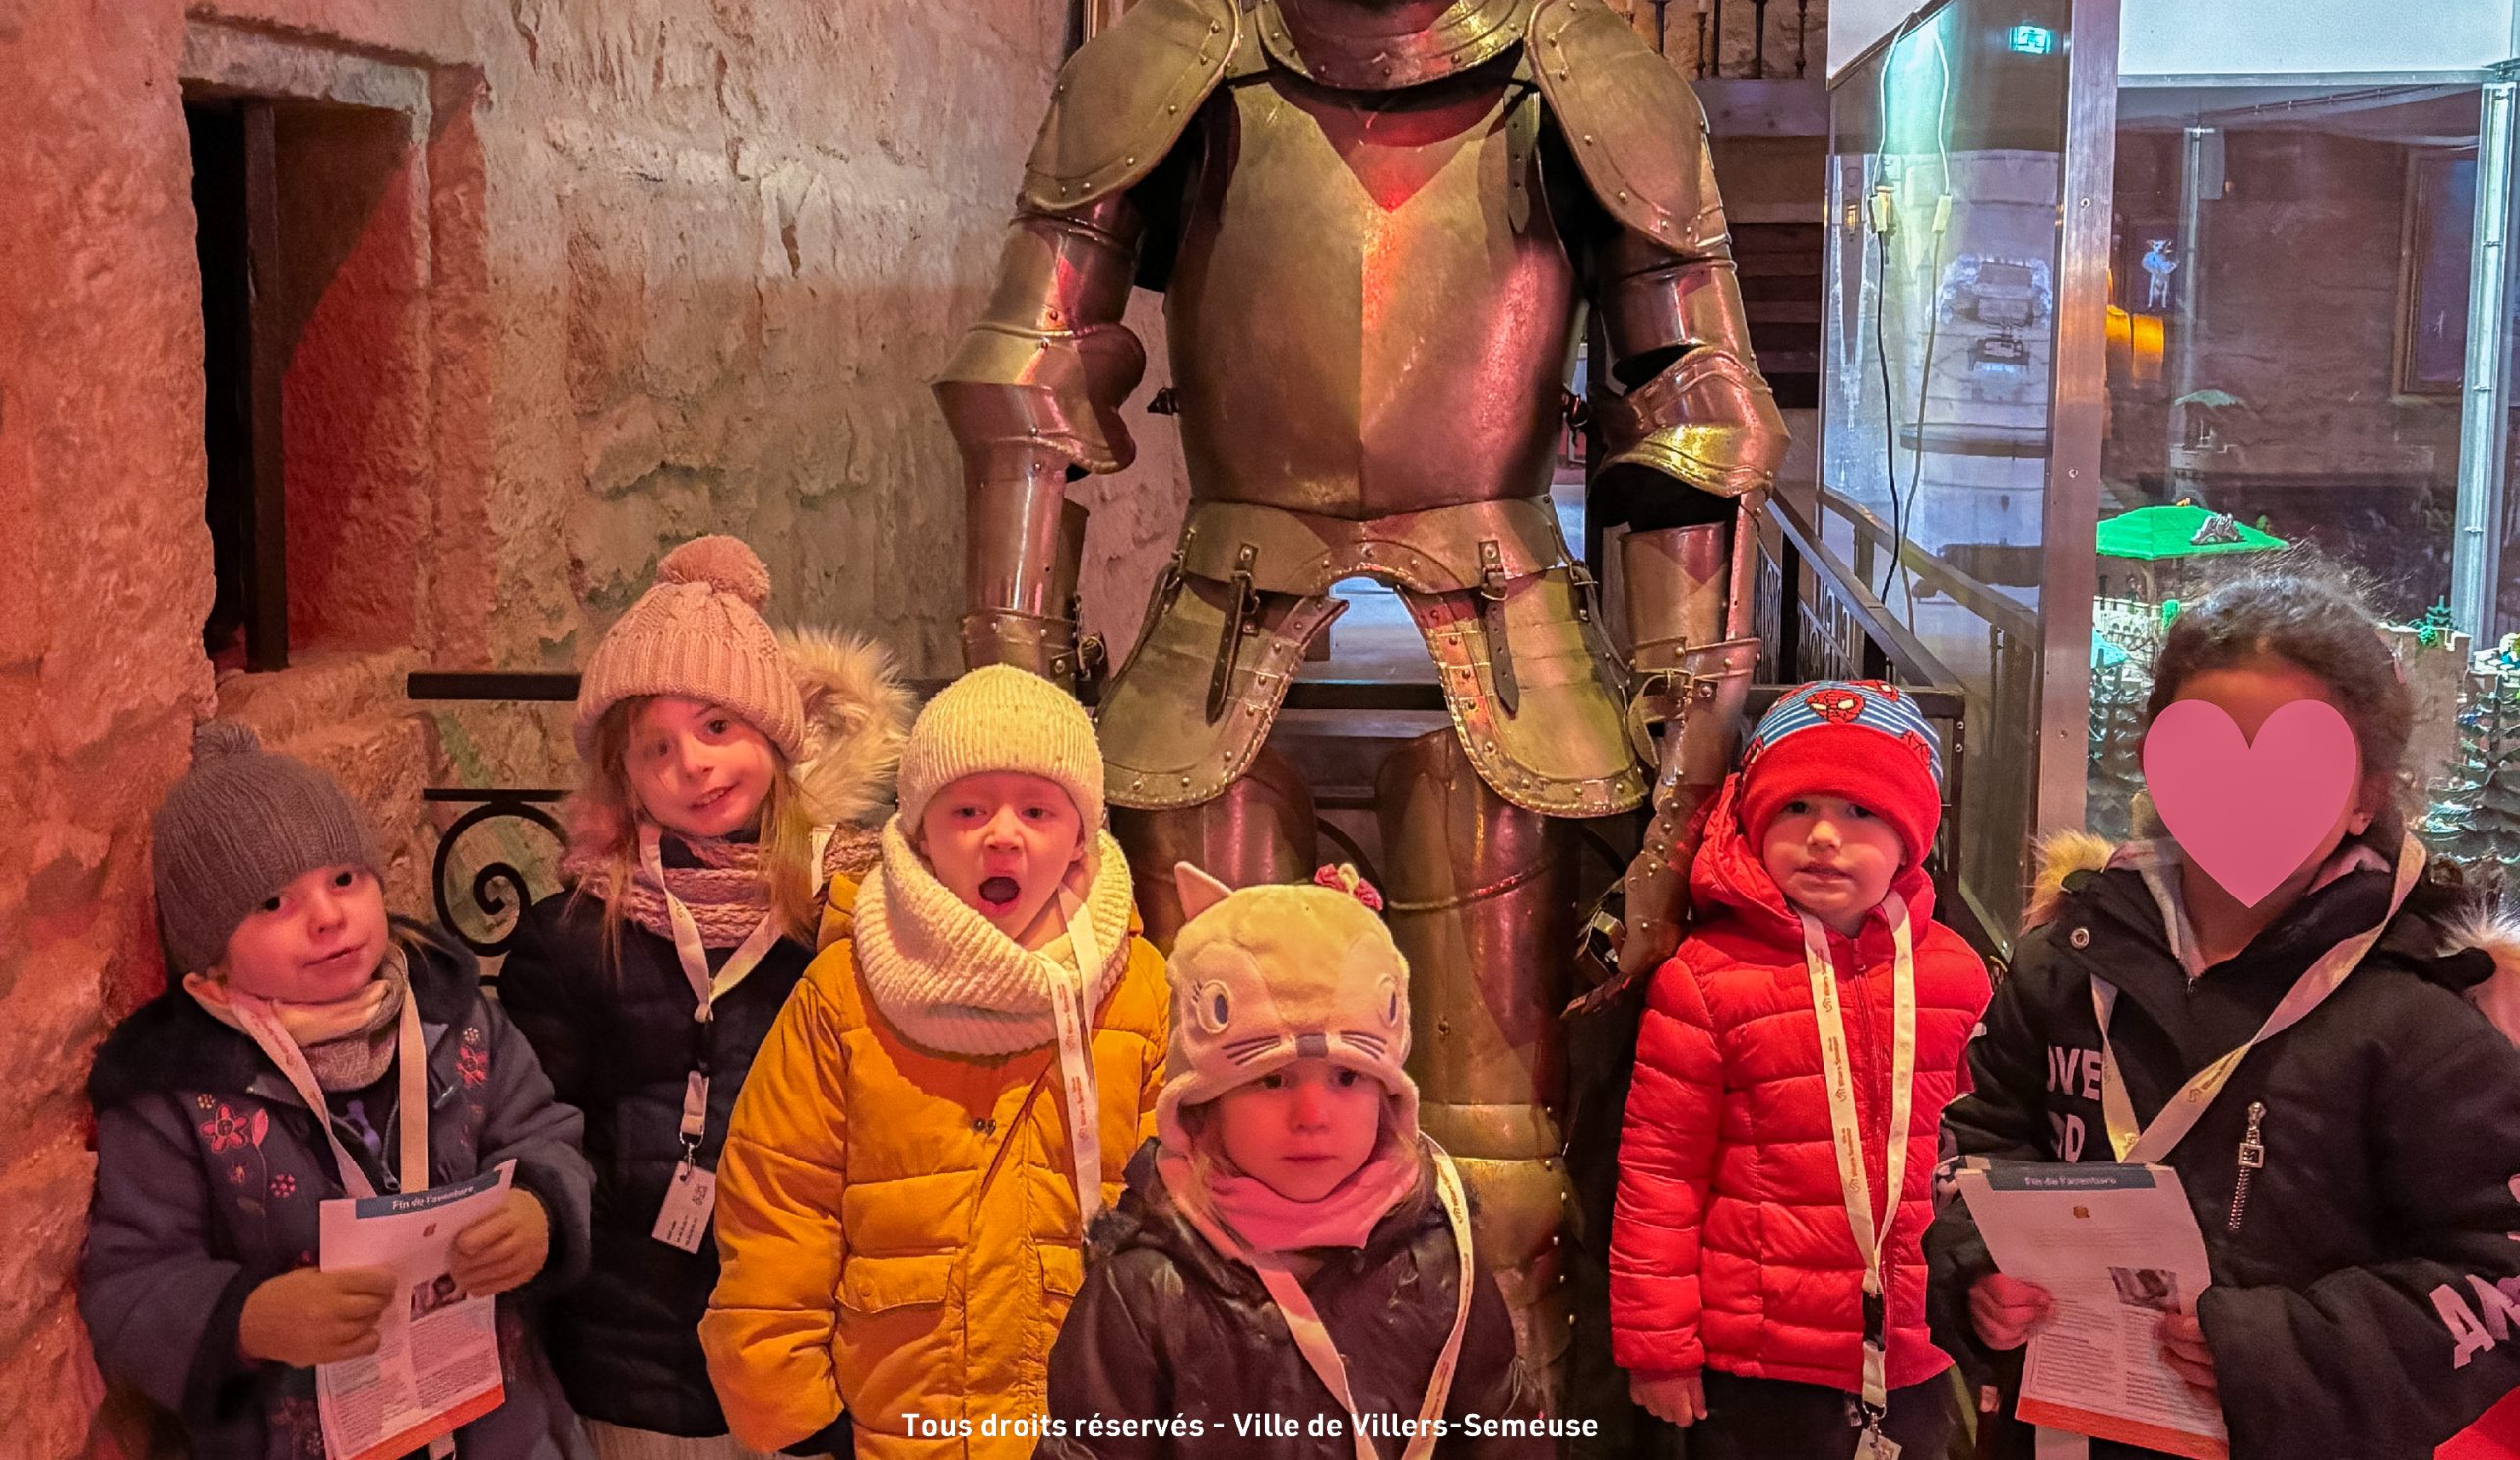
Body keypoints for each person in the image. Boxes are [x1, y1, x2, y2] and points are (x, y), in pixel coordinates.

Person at [1923, 570, 2520, 1460]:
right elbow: (1975, 1143)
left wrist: (2276, 1349)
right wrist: (1977, 1270)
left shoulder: (2425, 1015)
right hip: (2063, 1423)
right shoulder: (2068, 959)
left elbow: (2496, 1271)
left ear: (2368, 793)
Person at [497, 536, 912, 1460]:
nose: (693, 762)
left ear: (774, 735)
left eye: (718, 726)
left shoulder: (849, 911)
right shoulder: (575, 935)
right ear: (626, 776)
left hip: (812, 1337)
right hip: (630, 1343)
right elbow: (539, 1126)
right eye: (657, 745)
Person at [81, 719, 592, 1460]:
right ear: (211, 956)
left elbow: (543, 1130)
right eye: (272, 903)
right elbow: (128, 1282)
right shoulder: (176, 1095)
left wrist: (538, 1210)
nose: (327, 917)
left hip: (494, 1420)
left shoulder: (455, 1017)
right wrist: (249, 1319)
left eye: (344, 879)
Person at [699, 664, 1169, 1460]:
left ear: (1081, 836)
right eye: (967, 809)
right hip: (901, 1423)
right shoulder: (845, 991)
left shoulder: (1137, 989)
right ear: (919, 833)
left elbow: (1183, 1206)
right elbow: (779, 1200)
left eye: (1037, 809)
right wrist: (793, 1411)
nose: (1002, 834)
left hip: (1094, 1419)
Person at [1039, 862, 1545, 1460]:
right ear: (1204, 1104)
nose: (1312, 1115)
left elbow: (1505, 1435)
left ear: (1387, 1100)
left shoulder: (1440, 1259)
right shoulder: (1145, 1287)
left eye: (1347, 1077)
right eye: (1272, 1079)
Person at [1612, 680, 1991, 1460]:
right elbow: (1659, 1175)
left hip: (1918, 1348)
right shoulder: (1705, 980)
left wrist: (1991, 1314)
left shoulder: (1957, 975)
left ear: (1912, 834)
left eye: (1860, 811)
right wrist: (1659, 1349)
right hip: (1756, 1362)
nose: (1823, 836)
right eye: (1796, 807)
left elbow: (1986, 1154)